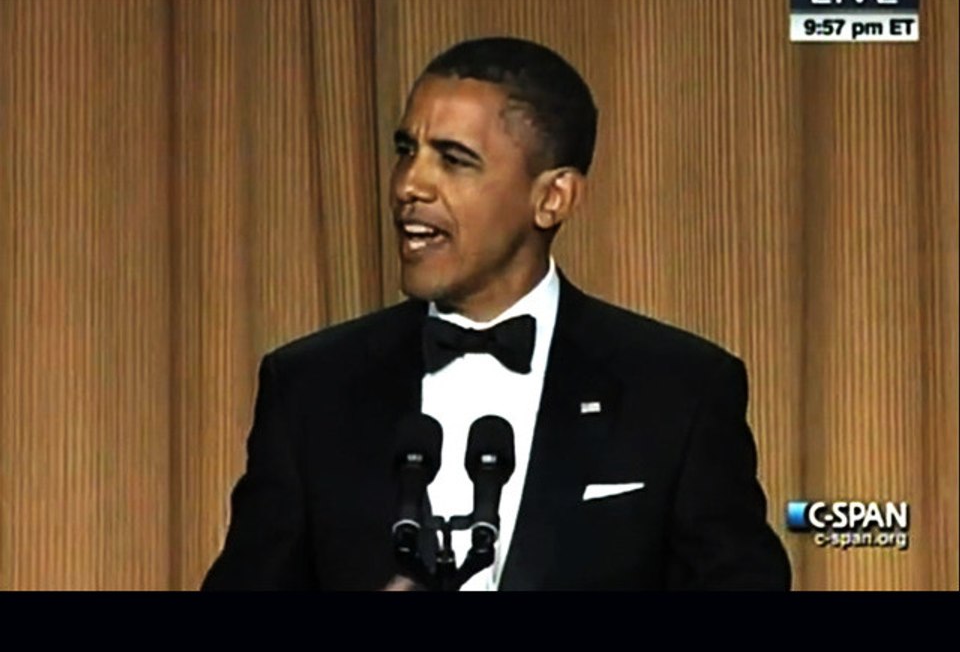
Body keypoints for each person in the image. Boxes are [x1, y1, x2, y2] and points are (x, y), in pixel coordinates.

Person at [201, 36, 792, 591]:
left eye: (454, 159)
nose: (410, 184)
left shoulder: (677, 390)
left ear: (552, 197)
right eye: (407, 150)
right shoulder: (310, 388)